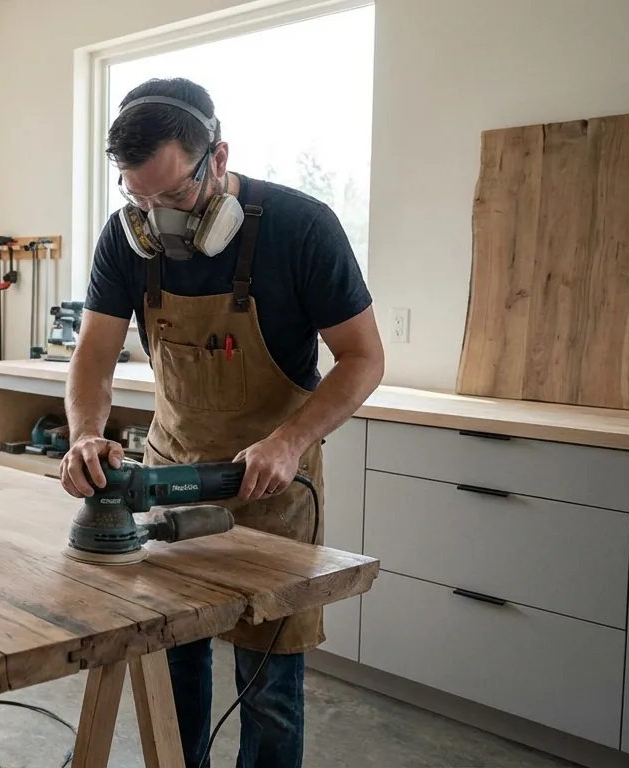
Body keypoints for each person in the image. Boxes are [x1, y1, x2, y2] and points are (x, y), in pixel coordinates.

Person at [59, 77, 385, 768]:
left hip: (274, 484)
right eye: (138, 198)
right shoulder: (126, 242)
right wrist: (87, 431)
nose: (158, 217)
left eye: (175, 196)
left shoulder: (302, 228)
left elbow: (363, 358)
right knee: (174, 670)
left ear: (219, 155)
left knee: (267, 689)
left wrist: (291, 440)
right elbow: (93, 356)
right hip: (172, 472)